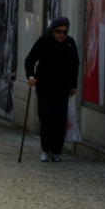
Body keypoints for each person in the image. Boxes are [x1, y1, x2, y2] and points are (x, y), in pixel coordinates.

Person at [24, 16, 79, 162]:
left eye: (65, 32)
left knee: (59, 119)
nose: (61, 35)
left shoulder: (70, 43)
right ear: (53, 31)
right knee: (46, 118)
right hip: (45, 86)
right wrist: (31, 77)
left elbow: (75, 65)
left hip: (62, 87)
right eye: (58, 31)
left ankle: (56, 151)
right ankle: (45, 150)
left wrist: (73, 85)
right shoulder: (44, 41)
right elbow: (30, 59)